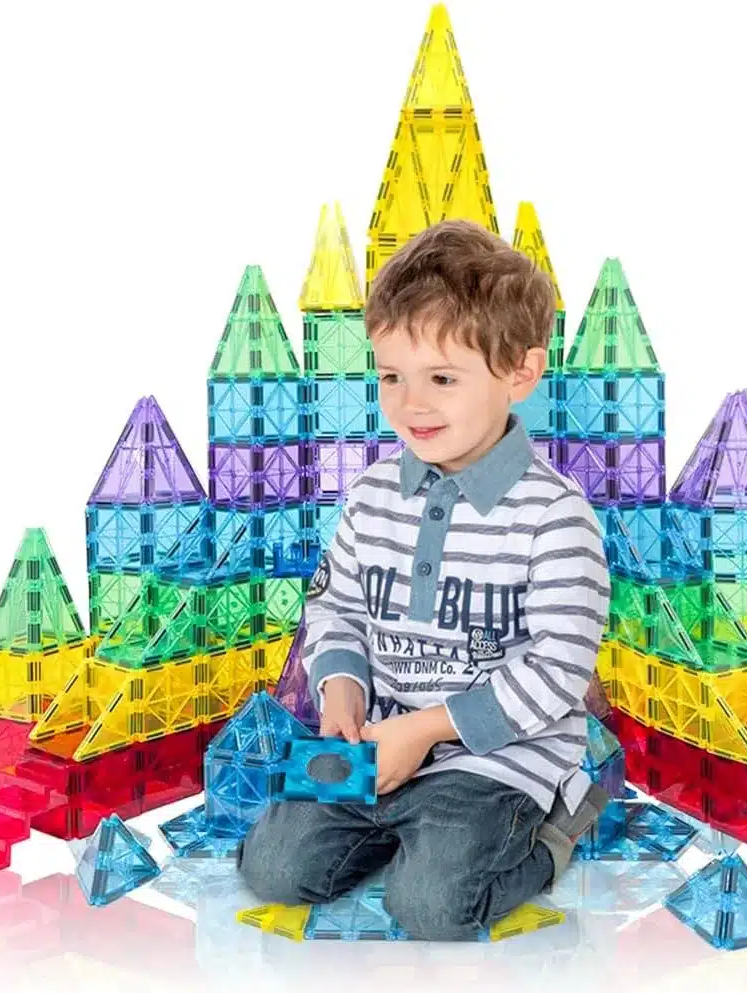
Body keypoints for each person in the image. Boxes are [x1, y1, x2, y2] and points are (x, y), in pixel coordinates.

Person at [238, 219, 611, 940]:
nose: (411, 404)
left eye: (441, 378)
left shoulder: (555, 515)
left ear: (519, 373)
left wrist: (429, 729)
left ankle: (555, 828)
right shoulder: (372, 494)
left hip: (497, 758)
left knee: (433, 907)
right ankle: (403, 833)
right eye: (392, 377)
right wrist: (341, 688)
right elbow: (336, 606)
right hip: (380, 737)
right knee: (274, 866)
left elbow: (559, 670)